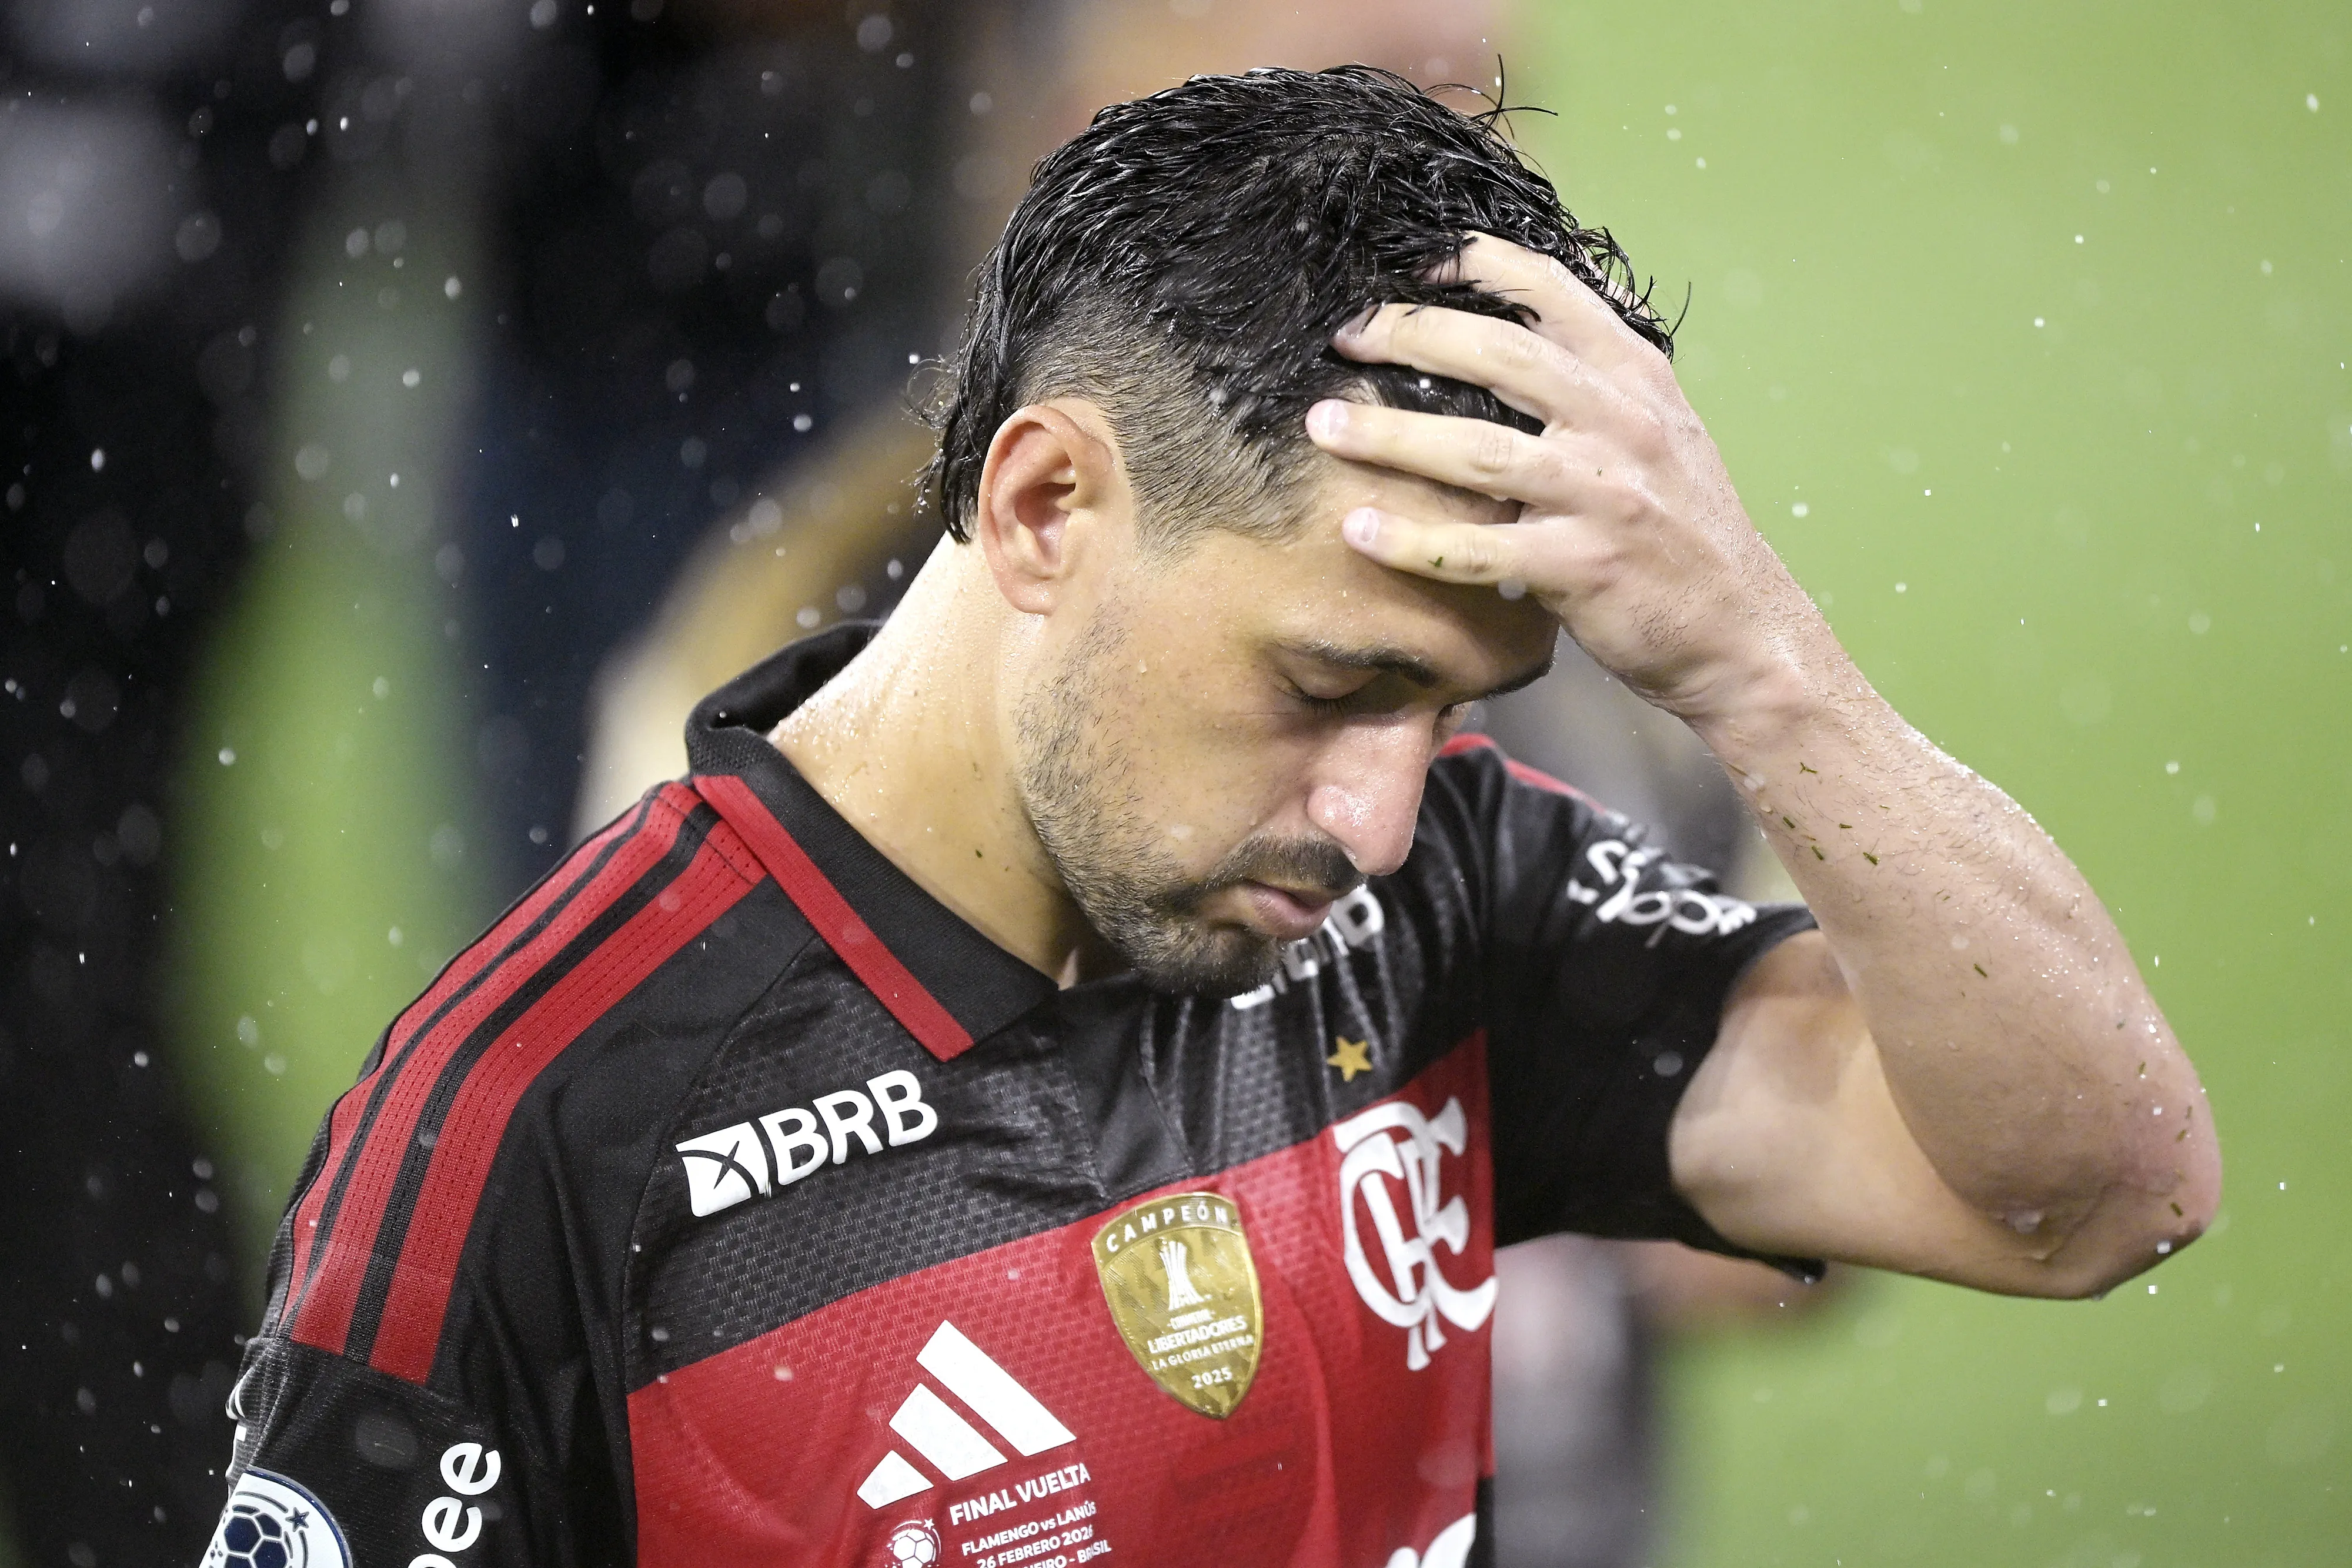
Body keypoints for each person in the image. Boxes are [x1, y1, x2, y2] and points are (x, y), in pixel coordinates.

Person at [201, 67, 2216, 1568]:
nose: (1383, 816)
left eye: (1451, 710)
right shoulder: (539, 1124)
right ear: (1043, 506)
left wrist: (1763, 662)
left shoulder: (1449, 903)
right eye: (1330, 685)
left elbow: (2099, 1188)